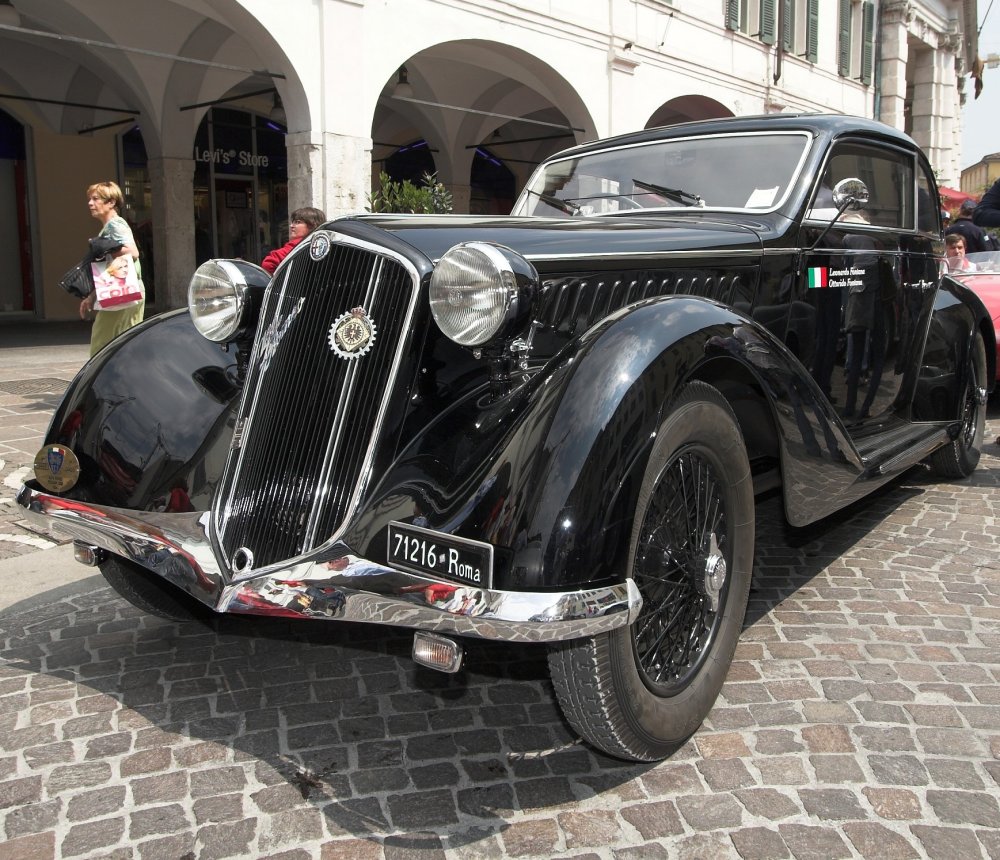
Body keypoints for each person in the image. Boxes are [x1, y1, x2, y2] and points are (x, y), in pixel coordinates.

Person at [78, 181, 145, 357]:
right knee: (125, 344)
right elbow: (108, 266)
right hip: (128, 290)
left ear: (111, 202)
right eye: (90, 199)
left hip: (122, 291)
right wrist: (92, 296)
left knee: (101, 344)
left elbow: (133, 252)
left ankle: (97, 382)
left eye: (95, 199)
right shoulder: (112, 226)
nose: (90, 203)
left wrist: (103, 245)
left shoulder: (115, 225)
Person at [260, 207, 326, 274]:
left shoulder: (298, 245)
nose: (291, 226)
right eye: (293, 222)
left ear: (312, 225)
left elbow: (268, 264)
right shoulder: (325, 244)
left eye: (298, 222)